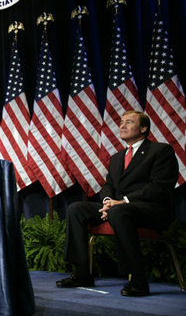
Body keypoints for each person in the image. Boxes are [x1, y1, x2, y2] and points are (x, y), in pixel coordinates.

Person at [56, 110, 178, 296]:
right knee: (76, 208)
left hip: (150, 209)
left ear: (144, 128)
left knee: (119, 212)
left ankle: (138, 280)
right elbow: (109, 185)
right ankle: (81, 273)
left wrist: (121, 202)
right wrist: (107, 202)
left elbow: (159, 187)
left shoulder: (161, 151)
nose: (122, 125)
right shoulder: (117, 158)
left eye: (129, 122)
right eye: (121, 122)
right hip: (118, 207)